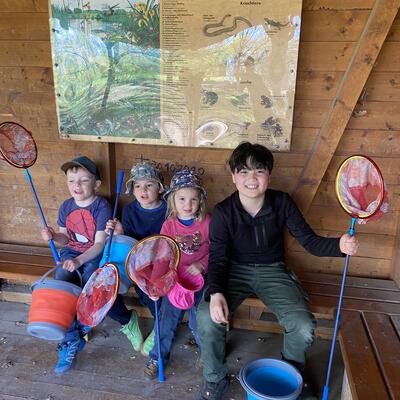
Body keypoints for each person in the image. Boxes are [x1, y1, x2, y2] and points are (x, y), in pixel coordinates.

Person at [196, 142, 359, 400]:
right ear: (234, 176)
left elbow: (310, 242)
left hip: (272, 271)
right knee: (207, 315)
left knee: (302, 325)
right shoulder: (223, 212)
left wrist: (339, 246)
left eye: (259, 171)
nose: (252, 178)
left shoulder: (282, 202)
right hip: (233, 271)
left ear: (268, 176)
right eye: (244, 171)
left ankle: (292, 376)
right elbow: (217, 258)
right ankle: (215, 377)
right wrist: (215, 292)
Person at [41, 156, 112, 374]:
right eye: (71, 181)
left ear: (96, 184)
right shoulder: (66, 206)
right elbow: (65, 239)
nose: (76, 186)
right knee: (61, 283)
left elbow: (99, 244)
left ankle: (77, 330)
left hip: (93, 255)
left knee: (89, 281)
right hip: (71, 253)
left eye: (83, 180)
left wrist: (79, 260)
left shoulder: (101, 206)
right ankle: (72, 338)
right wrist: (53, 236)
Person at [144, 170, 210, 379]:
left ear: (200, 201)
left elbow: (218, 250)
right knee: (166, 321)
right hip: (175, 281)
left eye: (193, 199)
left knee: (199, 322)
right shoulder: (169, 225)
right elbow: (162, 257)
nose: (187, 204)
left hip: (200, 280)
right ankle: (158, 357)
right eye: (182, 199)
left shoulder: (207, 222)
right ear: (173, 199)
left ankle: (208, 353)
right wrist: (156, 284)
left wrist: (202, 264)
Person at [105, 161, 167, 356]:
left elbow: (167, 244)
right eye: (137, 186)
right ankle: (127, 321)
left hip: (156, 265)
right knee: (106, 289)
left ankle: (160, 327)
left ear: (160, 188)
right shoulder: (130, 210)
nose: (143, 190)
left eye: (149, 185)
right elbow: (128, 243)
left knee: (152, 294)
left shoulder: (168, 210)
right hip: (132, 261)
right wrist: (120, 232)